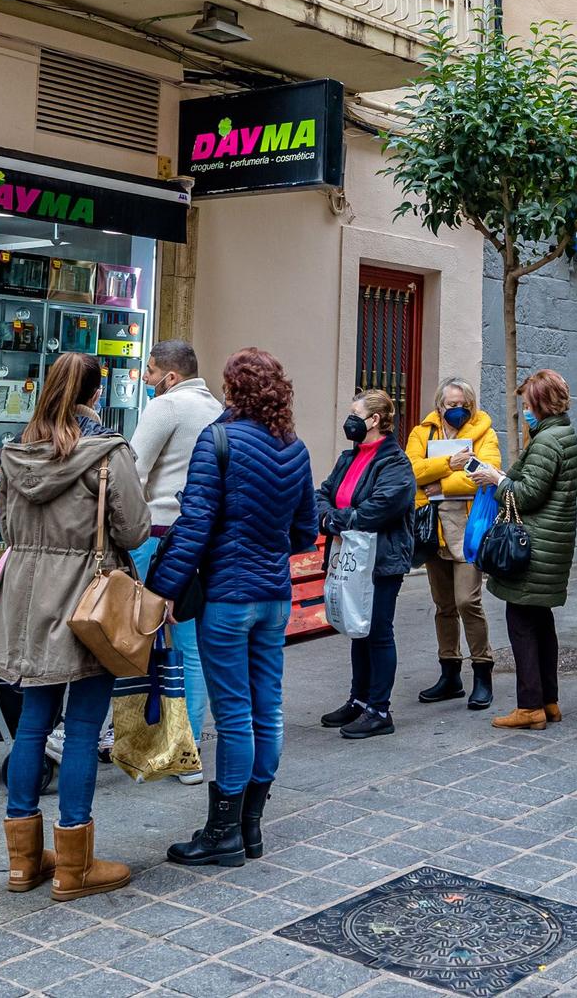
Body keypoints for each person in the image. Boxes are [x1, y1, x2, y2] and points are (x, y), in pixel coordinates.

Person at [0, 351, 151, 901]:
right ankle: (74, 865)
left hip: (26, 601)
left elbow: (6, 526)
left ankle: (22, 862)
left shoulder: (13, 453)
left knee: (33, 724)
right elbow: (134, 530)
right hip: (86, 602)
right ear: (96, 395)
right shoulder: (107, 453)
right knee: (81, 729)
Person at [150, 348, 317, 867]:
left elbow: (194, 524)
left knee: (235, 716)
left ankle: (222, 834)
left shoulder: (217, 440)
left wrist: (166, 590)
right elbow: (305, 531)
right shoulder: (295, 448)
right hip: (273, 597)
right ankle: (250, 829)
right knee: (267, 709)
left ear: (233, 390)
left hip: (226, 597)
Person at [127, 340, 223, 779]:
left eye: (149, 371)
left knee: (134, 637)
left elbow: (134, 472)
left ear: (170, 376)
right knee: (190, 646)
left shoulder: (165, 407)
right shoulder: (217, 410)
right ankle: (189, 750)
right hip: (203, 538)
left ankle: (131, 734)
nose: (145, 379)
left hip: (160, 534)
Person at [472, 370, 577, 726]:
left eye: (528, 404)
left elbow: (527, 494)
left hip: (535, 545)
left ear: (542, 403)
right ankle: (548, 701)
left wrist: (497, 479)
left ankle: (529, 706)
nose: (525, 411)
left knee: (521, 622)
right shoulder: (561, 434)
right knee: (540, 622)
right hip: (551, 543)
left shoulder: (548, 441)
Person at [316, 389, 418, 740]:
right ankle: (359, 700)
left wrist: (337, 518)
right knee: (358, 630)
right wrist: (331, 517)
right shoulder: (349, 457)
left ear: (374, 420)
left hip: (382, 559)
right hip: (350, 556)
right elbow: (323, 493)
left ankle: (379, 710)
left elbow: (379, 509)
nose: (350, 421)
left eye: (355, 414)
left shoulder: (395, 463)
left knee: (377, 630)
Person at [404, 378, 500, 710]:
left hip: (468, 533)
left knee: (467, 602)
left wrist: (440, 483)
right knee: (443, 605)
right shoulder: (422, 433)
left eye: (463, 405)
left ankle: (482, 672)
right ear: (439, 404)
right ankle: (450, 674)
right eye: (450, 405)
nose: (457, 410)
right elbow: (412, 471)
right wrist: (451, 463)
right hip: (433, 531)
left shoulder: (484, 432)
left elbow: (486, 473)